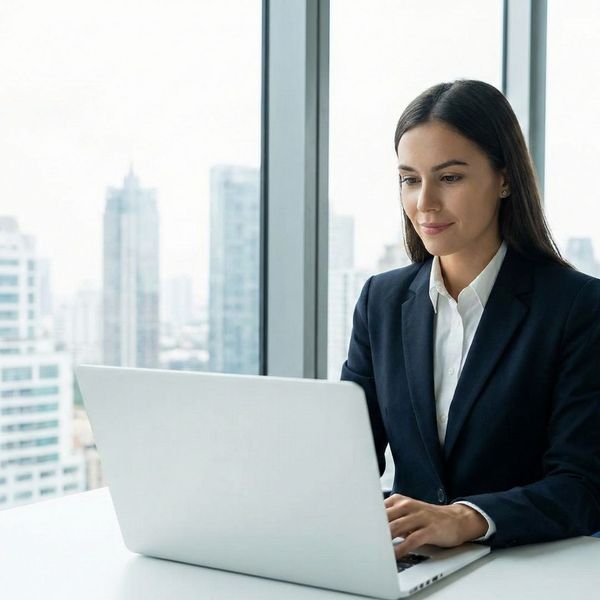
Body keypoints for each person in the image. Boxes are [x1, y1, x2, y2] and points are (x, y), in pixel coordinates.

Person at [340, 79, 600, 557]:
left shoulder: (577, 307)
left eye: (450, 177)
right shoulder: (381, 300)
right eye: (410, 179)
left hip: (524, 566)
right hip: (408, 561)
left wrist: (464, 519)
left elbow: (583, 485)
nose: (425, 203)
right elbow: (344, 459)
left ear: (504, 178)